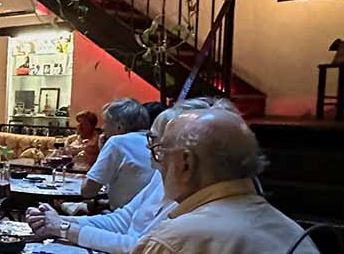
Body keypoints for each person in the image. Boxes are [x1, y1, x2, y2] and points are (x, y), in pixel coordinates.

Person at [27, 98, 224, 254]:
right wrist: (58, 222)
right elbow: (123, 220)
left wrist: (62, 227)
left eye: (155, 140)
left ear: (186, 156)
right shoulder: (161, 176)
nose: (148, 148)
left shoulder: (199, 196)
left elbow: (139, 246)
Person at [133, 107, 320, 254]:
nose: (160, 163)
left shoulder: (173, 241)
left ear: (186, 163)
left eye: (161, 152)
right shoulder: (291, 230)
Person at [81, 98, 153, 208]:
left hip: (126, 217)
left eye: (105, 123)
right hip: (150, 214)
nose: (103, 128)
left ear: (119, 127)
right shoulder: (155, 141)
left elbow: (87, 191)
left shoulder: (117, 142)